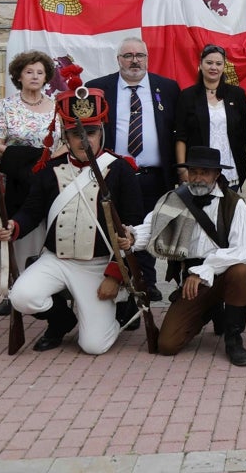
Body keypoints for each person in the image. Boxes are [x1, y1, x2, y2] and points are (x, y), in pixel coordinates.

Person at [0, 88, 142, 354]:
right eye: (76, 134)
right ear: (66, 136)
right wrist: (13, 227)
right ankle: (61, 321)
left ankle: (123, 305)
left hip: (97, 265)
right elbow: (31, 211)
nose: (84, 140)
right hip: (57, 259)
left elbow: (132, 227)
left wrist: (115, 275)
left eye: (91, 132)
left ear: (101, 133)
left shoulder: (121, 170)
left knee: (94, 346)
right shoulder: (50, 169)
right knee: (22, 297)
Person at [125, 146, 246, 365]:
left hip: (223, 274)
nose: (198, 178)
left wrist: (205, 270)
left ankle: (234, 338)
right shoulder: (174, 199)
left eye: (205, 172)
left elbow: (242, 250)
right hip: (192, 283)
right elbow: (153, 227)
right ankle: (208, 310)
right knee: (167, 345)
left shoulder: (235, 203)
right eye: (193, 171)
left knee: (241, 272)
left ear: (217, 174)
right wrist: (131, 237)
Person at [86, 37, 180, 302]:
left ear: (147, 59)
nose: (134, 60)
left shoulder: (168, 88)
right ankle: (117, 280)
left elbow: (177, 132)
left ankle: (146, 282)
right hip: (115, 174)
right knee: (116, 228)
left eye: (140, 55)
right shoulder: (98, 88)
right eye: (128, 55)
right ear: (118, 60)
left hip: (154, 174)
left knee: (148, 229)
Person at [0, 50, 62, 316]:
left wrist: (43, 161)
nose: (35, 76)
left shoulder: (56, 106)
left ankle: (41, 286)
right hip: (13, 179)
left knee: (41, 233)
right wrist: (27, 158)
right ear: (18, 76)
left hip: (46, 180)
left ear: (47, 77)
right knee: (12, 234)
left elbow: (62, 145)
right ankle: (11, 287)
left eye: (40, 72)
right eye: (29, 72)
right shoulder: (6, 106)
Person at [174, 44, 246, 191]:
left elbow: (243, 133)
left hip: (230, 169)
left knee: (226, 212)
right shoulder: (187, 96)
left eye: (218, 63)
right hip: (198, 171)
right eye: (209, 63)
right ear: (200, 65)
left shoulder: (237, 94)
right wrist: (182, 169)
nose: (213, 67)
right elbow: (180, 136)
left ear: (223, 67)